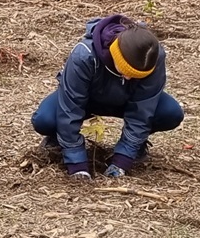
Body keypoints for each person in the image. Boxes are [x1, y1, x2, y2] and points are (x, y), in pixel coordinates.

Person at [32, 16, 183, 179]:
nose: (130, 78)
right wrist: (77, 165)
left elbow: (143, 109)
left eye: (136, 75)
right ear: (115, 55)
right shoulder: (84, 54)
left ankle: (135, 145)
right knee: (44, 119)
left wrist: (123, 160)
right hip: (87, 101)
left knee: (170, 112)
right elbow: (70, 108)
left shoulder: (151, 55)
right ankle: (60, 143)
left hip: (127, 101)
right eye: (127, 71)